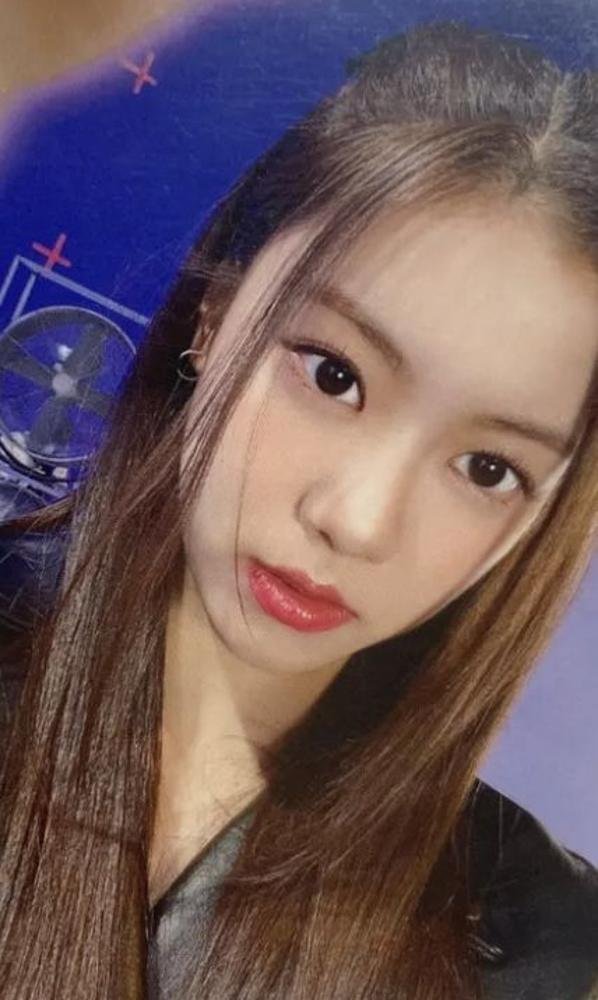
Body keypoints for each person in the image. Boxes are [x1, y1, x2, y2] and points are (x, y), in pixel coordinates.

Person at [0, 19, 597, 1000]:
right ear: (215, 317)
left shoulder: (535, 942)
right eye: (333, 375)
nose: (358, 520)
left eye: (488, 468)